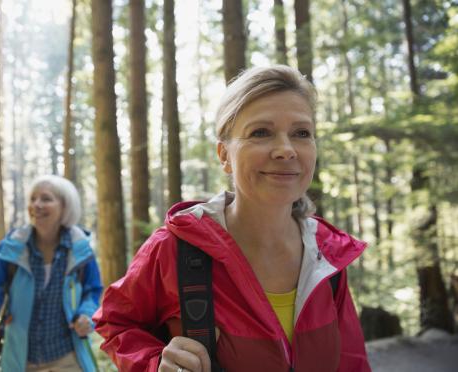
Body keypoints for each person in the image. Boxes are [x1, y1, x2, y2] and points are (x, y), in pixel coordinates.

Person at [93, 65, 371, 372]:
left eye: (301, 133)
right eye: (261, 132)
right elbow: (115, 322)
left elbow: (352, 363)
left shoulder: (328, 256)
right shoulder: (178, 248)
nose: (286, 149)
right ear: (224, 155)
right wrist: (155, 362)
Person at [0, 175, 102, 371]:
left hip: (69, 359)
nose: (36, 205)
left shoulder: (80, 249)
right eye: (33, 199)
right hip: (20, 361)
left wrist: (86, 315)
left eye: (46, 199)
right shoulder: (10, 248)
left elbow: (93, 291)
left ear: (65, 207)